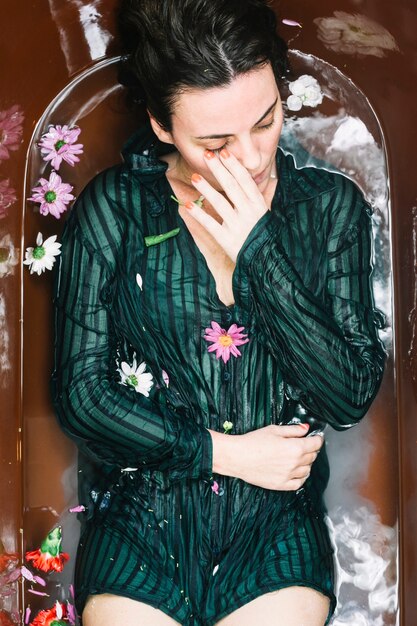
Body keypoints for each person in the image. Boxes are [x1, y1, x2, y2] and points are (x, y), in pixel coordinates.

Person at [51, 1, 386, 624]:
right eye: (214, 142)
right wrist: (221, 453)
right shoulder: (115, 210)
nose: (251, 159)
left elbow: (347, 397)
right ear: (161, 124)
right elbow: (81, 396)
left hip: (276, 530)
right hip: (140, 526)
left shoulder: (329, 208)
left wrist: (259, 251)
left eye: (265, 122)